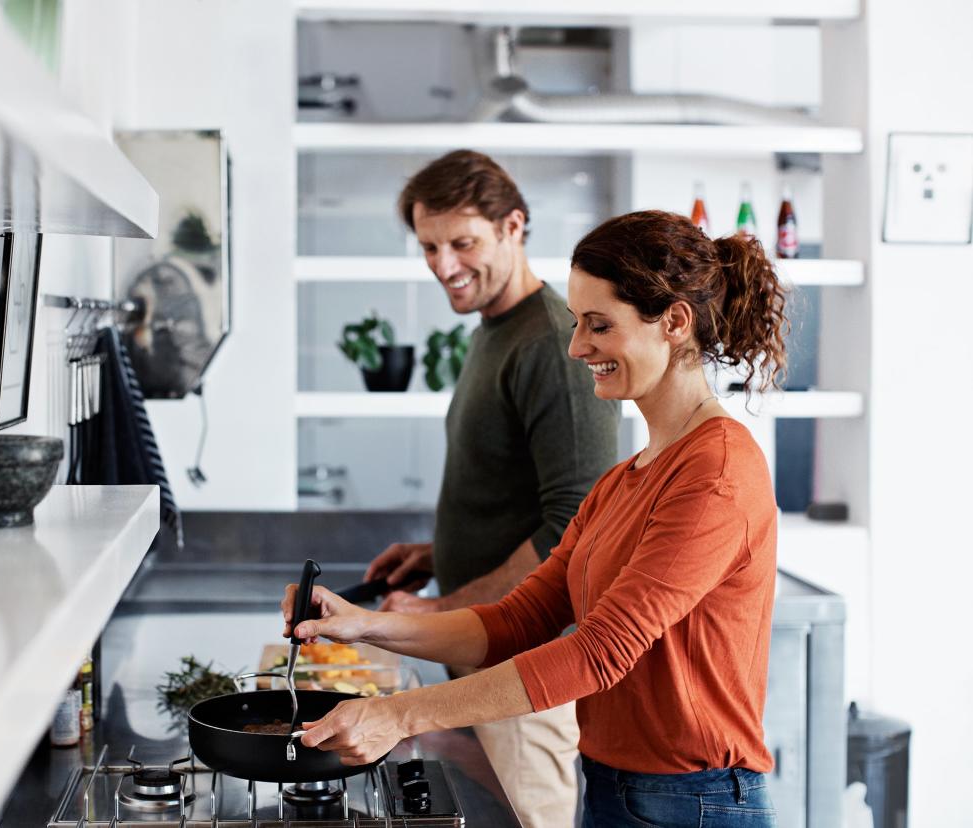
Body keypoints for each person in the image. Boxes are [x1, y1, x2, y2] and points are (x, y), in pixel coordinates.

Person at [284, 210, 788, 827]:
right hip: (614, 787)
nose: (577, 347)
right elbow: (518, 621)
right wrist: (361, 626)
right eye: (577, 324)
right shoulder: (625, 478)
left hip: (699, 801)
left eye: (598, 325)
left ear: (674, 323)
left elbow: (600, 652)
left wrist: (401, 714)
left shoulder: (716, 473)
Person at [360, 150, 619, 826]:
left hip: (528, 671)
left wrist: (444, 609)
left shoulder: (554, 345)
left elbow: (575, 523)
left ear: (514, 226)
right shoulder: (497, 331)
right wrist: (437, 554)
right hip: (486, 664)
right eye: (429, 247)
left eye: (463, 243)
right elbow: (517, 494)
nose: (444, 265)